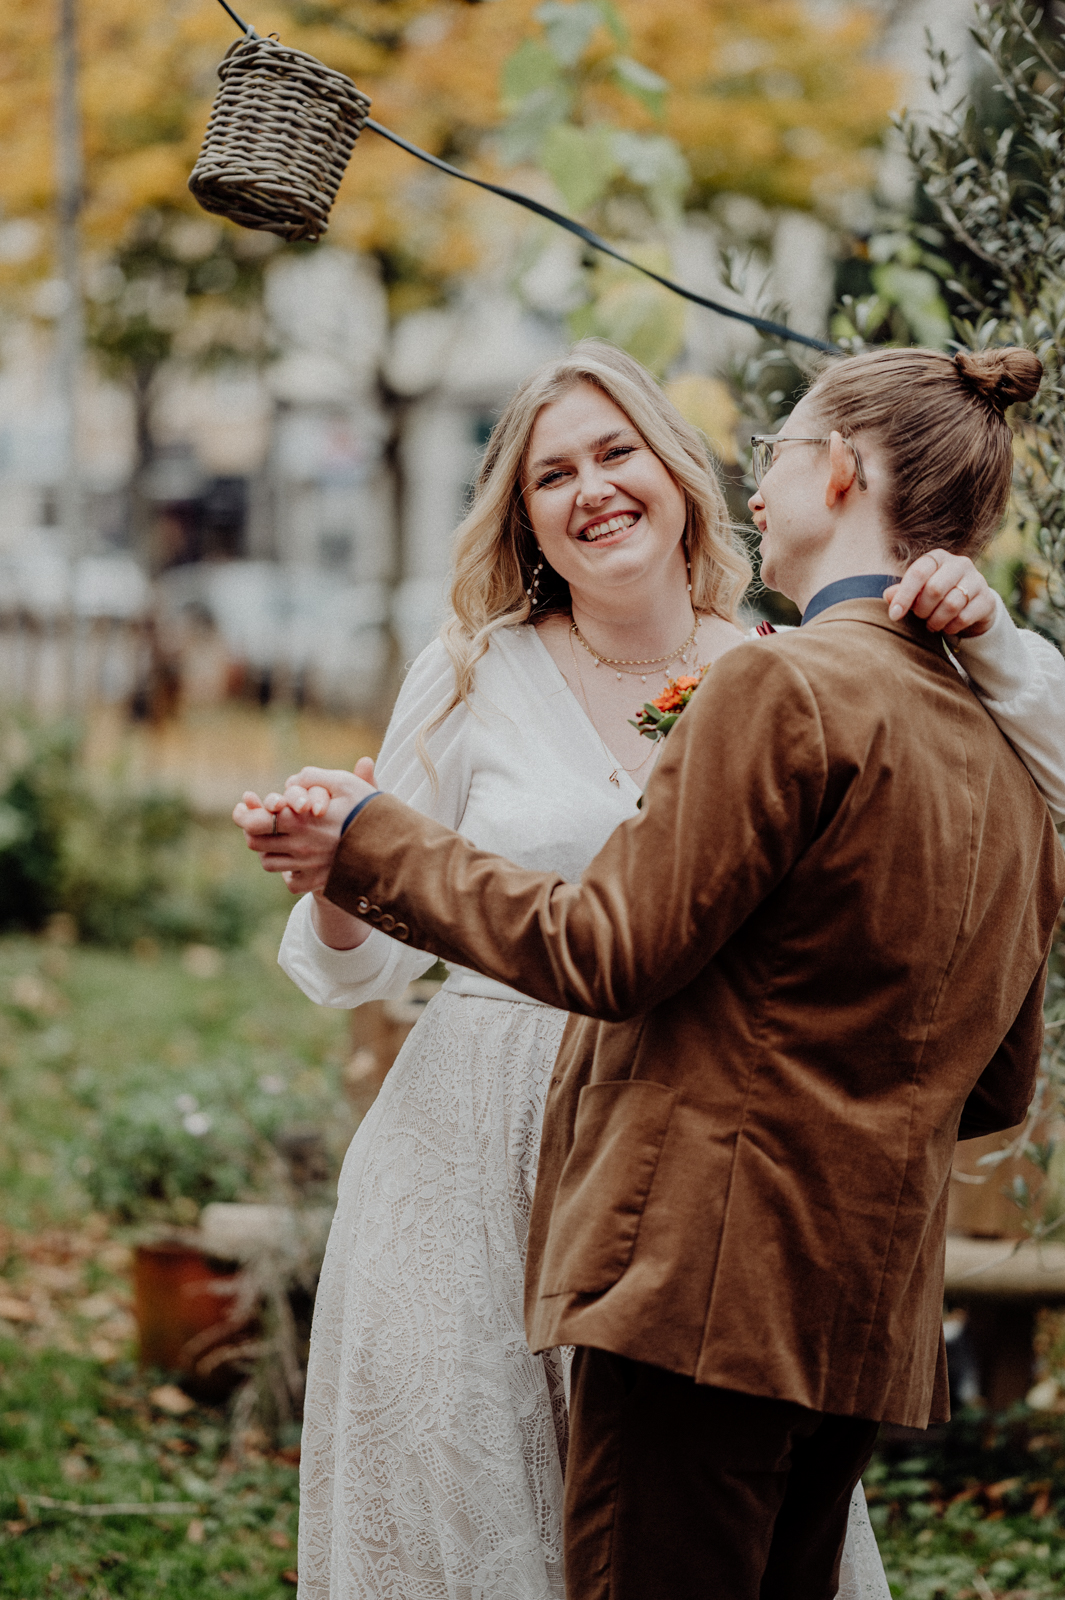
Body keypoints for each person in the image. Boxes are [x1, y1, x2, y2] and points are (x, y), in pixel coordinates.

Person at [235, 342, 1065, 1600]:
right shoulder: (1003, 748)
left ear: (837, 471)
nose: (761, 479)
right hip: (853, 1302)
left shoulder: (777, 681)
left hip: (695, 1272)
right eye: (550, 472)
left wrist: (370, 840)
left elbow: (609, 949)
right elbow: (997, 1085)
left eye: (779, 454)